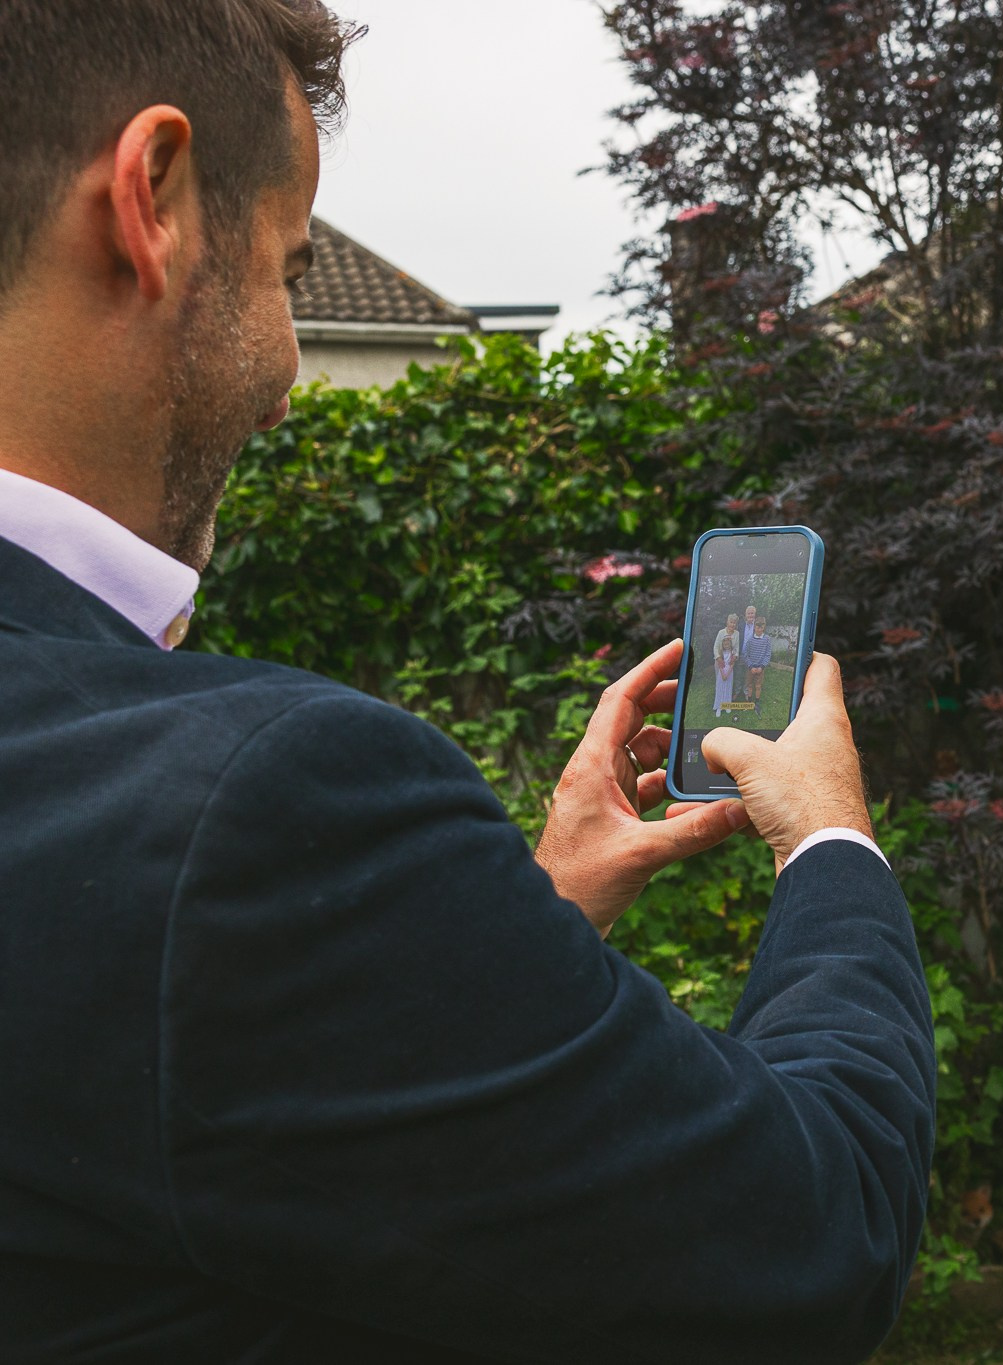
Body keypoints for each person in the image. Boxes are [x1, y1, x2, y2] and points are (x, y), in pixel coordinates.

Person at [0, 5, 934, 1361]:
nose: (285, 379)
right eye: (285, 271)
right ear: (154, 200)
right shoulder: (263, 808)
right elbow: (817, 1233)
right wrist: (834, 845)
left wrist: (514, 930)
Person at [745, 605, 775, 711]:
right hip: (751, 668)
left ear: (764, 627)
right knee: (749, 686)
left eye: (761, 627)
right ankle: (748, 703)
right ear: (754, 627)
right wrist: (750, 666)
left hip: (761, 668)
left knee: (758, 686)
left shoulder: (767, 639)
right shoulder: (750, 640)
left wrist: (762, 667)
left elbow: (768, 654)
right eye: (757, 627)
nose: (759, 629)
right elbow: (746, 654)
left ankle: (757, 703)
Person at [713, 612, 741, 714]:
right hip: (720, 662)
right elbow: (716, 647)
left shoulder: (737, 634)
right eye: (731, 622)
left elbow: (737, 648)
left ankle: (727, 704)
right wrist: (719, 658)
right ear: (727, 622)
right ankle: (719, 705)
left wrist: (735, 656)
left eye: (734, 623)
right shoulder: (721, 632)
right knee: (720, 683)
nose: (732, 624)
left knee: (729, 684)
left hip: (730, 664)